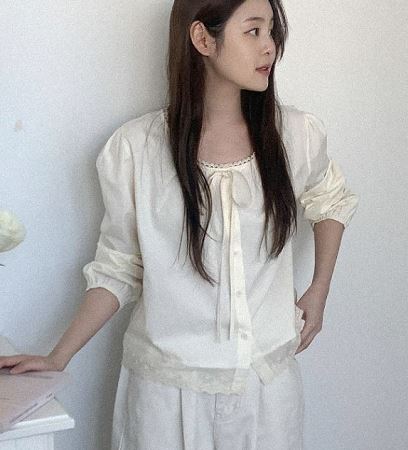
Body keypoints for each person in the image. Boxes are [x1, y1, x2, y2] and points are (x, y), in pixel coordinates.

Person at [0, 0, 359, 448]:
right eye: (253, 31)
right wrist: (59, 356)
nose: (269, 47)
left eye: (272, 31)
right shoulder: (136, 149)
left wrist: (318, 291)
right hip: (165, 396)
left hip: (267, 390)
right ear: (203, 38)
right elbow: (119, 267)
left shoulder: (295, 136)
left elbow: (331, 200)